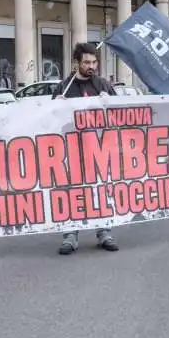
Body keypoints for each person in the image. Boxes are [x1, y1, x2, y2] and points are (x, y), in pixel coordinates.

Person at [51, 42, 119, 255]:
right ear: (77, 63)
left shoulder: (102, 85)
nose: (91, 66)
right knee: (72, 193)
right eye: (87, 62)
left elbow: (121, 114)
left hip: (99, 149)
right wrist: (55, 105)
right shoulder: (64, 87)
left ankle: (104, 232)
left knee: (101, 189)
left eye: (94, 62)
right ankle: (71, 236)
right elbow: (49, 121)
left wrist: (110, 103)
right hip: (71, 151)